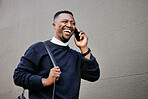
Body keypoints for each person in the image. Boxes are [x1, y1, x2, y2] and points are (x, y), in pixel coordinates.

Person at [13, 10, 100, 99]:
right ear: (54, 25)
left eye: (73, 23)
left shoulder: (76, 56)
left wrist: (83, 48)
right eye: (65, 22)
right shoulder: (38, 48)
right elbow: (18, 76)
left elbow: (93, 76)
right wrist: (46, 81)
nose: (69, 25)